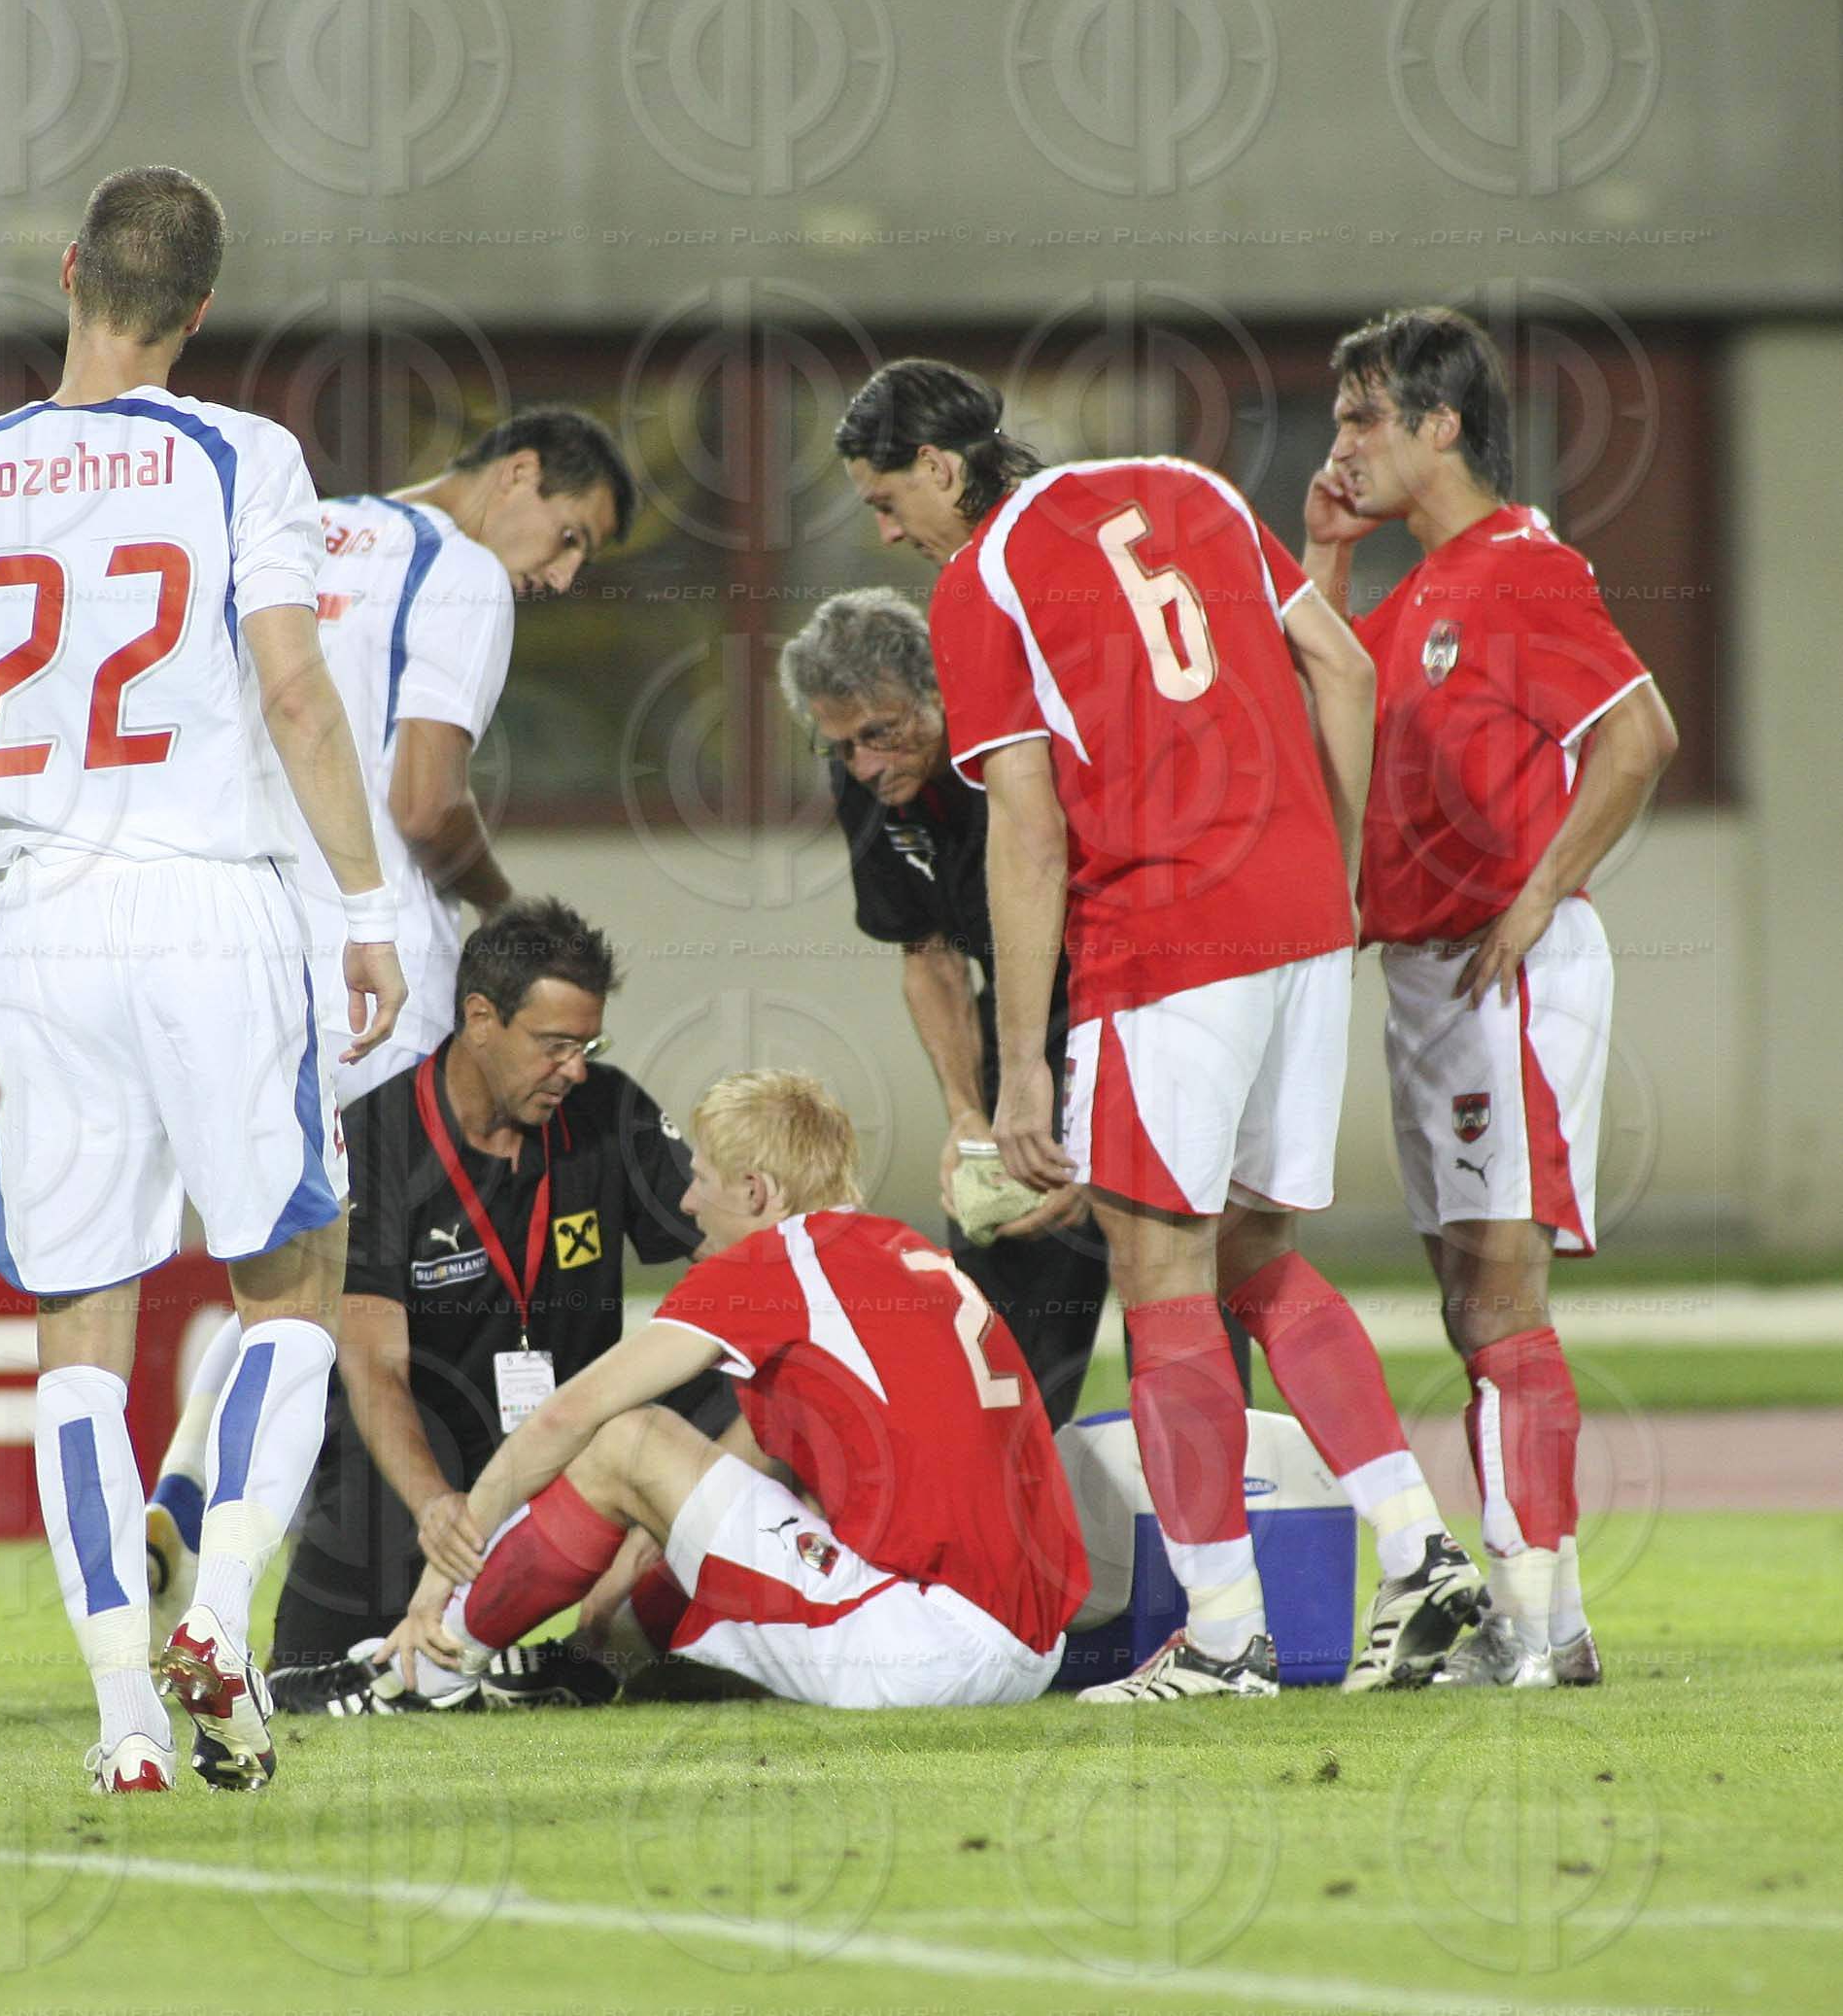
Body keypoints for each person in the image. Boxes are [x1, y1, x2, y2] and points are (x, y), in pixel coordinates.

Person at [840, 356, 1484, 1701]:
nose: (884, 532)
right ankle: (1428, 1562)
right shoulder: (1184, 484)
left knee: (1157, 1272)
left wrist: (1023, 1065)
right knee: (1256, 1251)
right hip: (1301, 920)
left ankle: (1227, 1635)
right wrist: (1340, 870)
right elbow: (1343, 668)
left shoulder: (981, 581)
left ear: (946, 472)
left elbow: (1026, 829)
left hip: (1164, 940)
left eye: (888, 499)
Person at [0, 163, 405, 1795]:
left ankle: (121, 1722)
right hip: (209, 904)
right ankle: (226, 1613)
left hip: (35, 920)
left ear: (66, 276)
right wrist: (368, 902)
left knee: (79, 1337)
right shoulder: (242, 453)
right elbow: (297, 693)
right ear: (198, 309)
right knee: (289, 1276)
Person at [145, 407, 637, 1627]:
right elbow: (425, 801)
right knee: (380, 1292)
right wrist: (507, 915)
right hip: (375, 969)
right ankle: (324, 1586)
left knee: (287, 1268)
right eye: (570, 537)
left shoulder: (290, 532)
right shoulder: (462, 572)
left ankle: (191, 1490)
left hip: (231, 941)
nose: (565, 575)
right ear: (517, 474)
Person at [1303, 307, 1678, 1689]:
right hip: (1422, 974)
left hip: (1498, 963)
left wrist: (1538, 895)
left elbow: (1638, 738)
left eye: (1362, 418)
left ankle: (1534, 1620)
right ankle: (1546, 1619)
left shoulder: (1523, 567)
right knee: (1465, 1297)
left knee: (1503, 1288)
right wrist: (1327, 556)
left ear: (1440, 425)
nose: (1342, 442)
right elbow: (1323, 705)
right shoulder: (1417, 594)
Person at [384, 1069, 1086, 1710]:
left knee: (632, 1438)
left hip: (928, 1644)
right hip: (1029, 1647)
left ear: (755, 1191)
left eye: (702, 1177)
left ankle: (424, 1669)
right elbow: (735, 1478)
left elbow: (569, 1414)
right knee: (687, 1525)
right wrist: (605, 1624)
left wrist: (435, 1580)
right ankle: (587, 1664)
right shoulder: (899, 1249)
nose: (687, 1200)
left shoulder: (774, 1264)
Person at [264, 898, 720, 1712]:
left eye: (588, 1046)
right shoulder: (373, 1143)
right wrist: (438, 1505)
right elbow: (373, 1362)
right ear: (480, 1020)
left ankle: (643, 1631)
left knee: (731, 1380)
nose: (575, 1069)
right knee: (309, 1684)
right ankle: (507, 1648)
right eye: (555, 1047)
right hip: (422, 1476)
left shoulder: (609, 1112)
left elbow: (730, 1258)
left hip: (571, 1462)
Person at [777, 585, 1118, 1425]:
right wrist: (969, 1113)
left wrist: (1099, 1131)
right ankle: (1003, 1536)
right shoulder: (868, 778)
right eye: (842, 744)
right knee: (998, 1321)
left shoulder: (1034, 740)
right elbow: (927, 954)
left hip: (1135, 1003)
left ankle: (1214, 1533)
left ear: (940, 693)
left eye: (879, 736)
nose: (861, 764)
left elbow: (1128, 932)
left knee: (1179, 1293)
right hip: (1022, 1019)